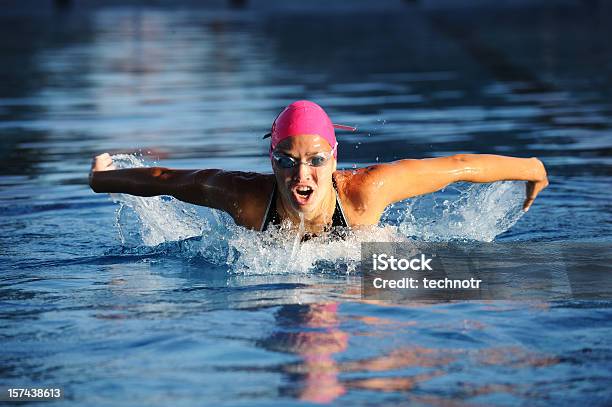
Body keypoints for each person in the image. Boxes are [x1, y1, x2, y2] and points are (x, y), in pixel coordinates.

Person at [89, 100, 548, 238]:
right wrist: (100, 179)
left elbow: (459, 167)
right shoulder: (246, 198)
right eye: (286, 162)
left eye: (315, 160)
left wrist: (530, 166)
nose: (300, 176)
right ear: (271, 162)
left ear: (335, 160)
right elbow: (169, 181)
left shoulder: (365, 193)